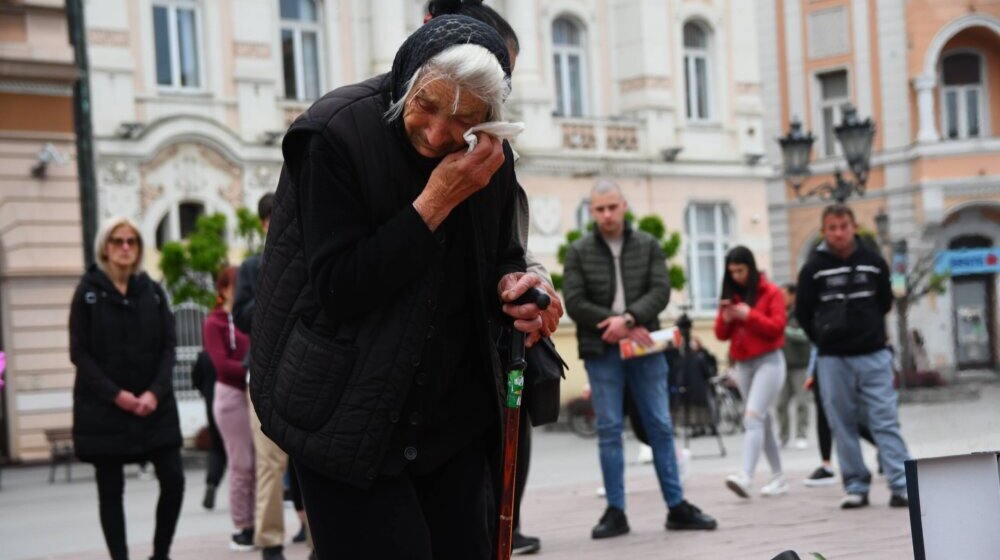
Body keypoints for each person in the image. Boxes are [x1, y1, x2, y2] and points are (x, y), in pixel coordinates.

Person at [249, 15, 545, 559]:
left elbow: (501, 255)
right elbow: (339, 289)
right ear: (407, 79)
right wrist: (434, 202)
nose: (437, 133)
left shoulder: (489, 153)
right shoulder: (334, 134)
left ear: (488, 117)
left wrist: (520, 287)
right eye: (426, 106)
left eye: (463, 119)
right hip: (344, 415)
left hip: (449, 423)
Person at [425, 1, 563, 554]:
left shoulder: (493, 148)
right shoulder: (371, 133)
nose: (496, 90)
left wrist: (531, 284)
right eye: (492, 71)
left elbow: (509, 249)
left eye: (504, 77)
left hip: (481, 372)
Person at [563, 180, 716, 539]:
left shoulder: (648, 244)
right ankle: (615, 511)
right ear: (591, 211)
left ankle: (677, 506)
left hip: (646, 348)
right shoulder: (579, 251)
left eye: (612, 207)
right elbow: (574, 300)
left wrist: (629, 320)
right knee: (608, 429)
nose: (606, 215)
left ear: (624, 206)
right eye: (600, 209)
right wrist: (616, 324)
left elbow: (660, 290)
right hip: (602, 350)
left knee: (660, 425)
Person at [69, 217, 184, 560]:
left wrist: (154, 392)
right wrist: (116, 395)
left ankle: (160, 554)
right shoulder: (87, 293)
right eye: (117, 241)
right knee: (110, 491)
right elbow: (79, 353)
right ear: (104, 248)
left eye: (131, 241)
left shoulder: (153, 292)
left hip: (154, 407)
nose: (125, 247)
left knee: (174, 480)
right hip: (104, 410)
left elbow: (169, 346)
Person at [796, 204, 911, 509]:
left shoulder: (873, 262)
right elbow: (803, 312)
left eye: (844, 226)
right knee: (842, 423)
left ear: (854, 227)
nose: (839, 233)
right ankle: (856, 485)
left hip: (874, 354)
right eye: (832, 228)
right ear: (824, 231)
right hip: (833, 359)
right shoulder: (813, 268)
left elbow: (884, 301)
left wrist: (869, 330)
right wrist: (823, 340)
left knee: (885, 419)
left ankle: (901, 485)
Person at [233, 193, 307, 560]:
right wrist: (276, 297)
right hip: (264, 375)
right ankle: (270, 541)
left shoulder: (310, 254)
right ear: (264, 223)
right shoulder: (251, 267)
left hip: (307, 372)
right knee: (269, 462)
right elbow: (241, 315)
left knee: (312, 462)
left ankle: (318, 539)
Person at [714, 246, 789, 499]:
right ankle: (778, 477)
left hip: (769, 362)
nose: (736, 276)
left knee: (753, 417)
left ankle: (746, 476)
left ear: (751, 268)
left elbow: (777, 327)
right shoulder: (731, 294)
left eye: (740, 270)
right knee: (761, 421)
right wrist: (726, 318)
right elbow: (720, 334)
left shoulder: (771, 292)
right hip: (743, 364)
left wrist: (750, 315)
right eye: (732, 272)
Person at [205, 266, 255, 550]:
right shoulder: (214, 323)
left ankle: (256, 521)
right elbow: (221, 365)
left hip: (250, 391)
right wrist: (251, 369)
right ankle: (242, 525)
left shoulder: (244, 318)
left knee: (258, 464)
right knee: (241, 463)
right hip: (231, 395)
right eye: (237, 285)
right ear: (223, 289)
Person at [802, 347, 878, 486]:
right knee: (828, 417)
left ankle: (886, 450)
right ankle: (828, 467)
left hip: (842, 359)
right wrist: (812, 371)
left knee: (844, 417)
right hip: (824, 360)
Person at [190, 349, 227, 509]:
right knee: (242, 450)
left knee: (217, 447)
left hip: (212, 405)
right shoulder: (234, 351)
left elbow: (195, 380)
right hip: (235, 405)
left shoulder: (205, 355)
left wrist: (206, 393)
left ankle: (212, 482)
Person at [777, 284, 811, 449]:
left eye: (784, 294)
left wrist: (785, 330)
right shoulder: (777, 312)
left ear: (793, 295)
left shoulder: (801, 312)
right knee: (780, 404)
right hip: (782, 366)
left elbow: (806, 335)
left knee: (802, 402)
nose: (781, 297)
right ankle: (783, 437)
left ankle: (801, 435)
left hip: (800, 365)